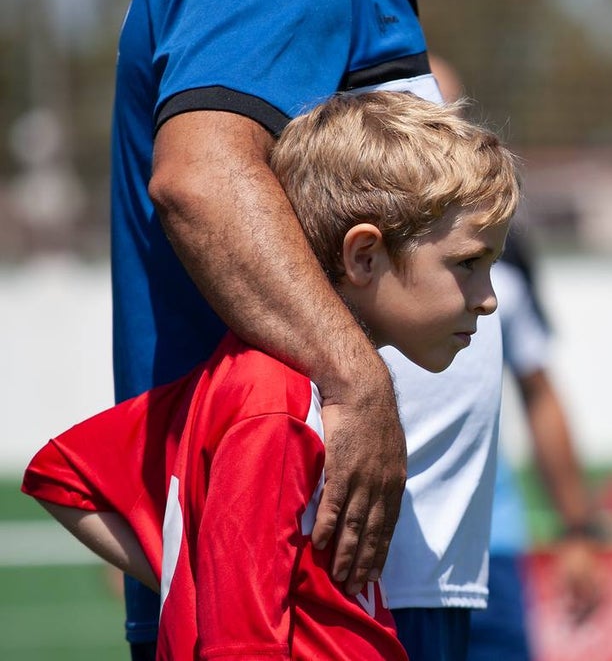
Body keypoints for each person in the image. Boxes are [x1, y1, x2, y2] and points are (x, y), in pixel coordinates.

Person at [108, 0, 498, 658]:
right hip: (316, 605)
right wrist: (357, 385)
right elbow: (201, 176)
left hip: (364, 585)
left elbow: (75, 477)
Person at [24, 91, 518, 660]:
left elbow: (68, 472)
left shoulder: (258, 376)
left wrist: (204, 576)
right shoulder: (273, 398)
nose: (487, 300)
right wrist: (207, 588)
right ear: (364, 257)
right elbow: (240, 647)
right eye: (467, 264)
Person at [469, 229, 603, 661]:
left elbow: (540, 396)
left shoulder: (501, 286)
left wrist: (578, 531)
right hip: (377, 550)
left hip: (489, 549)